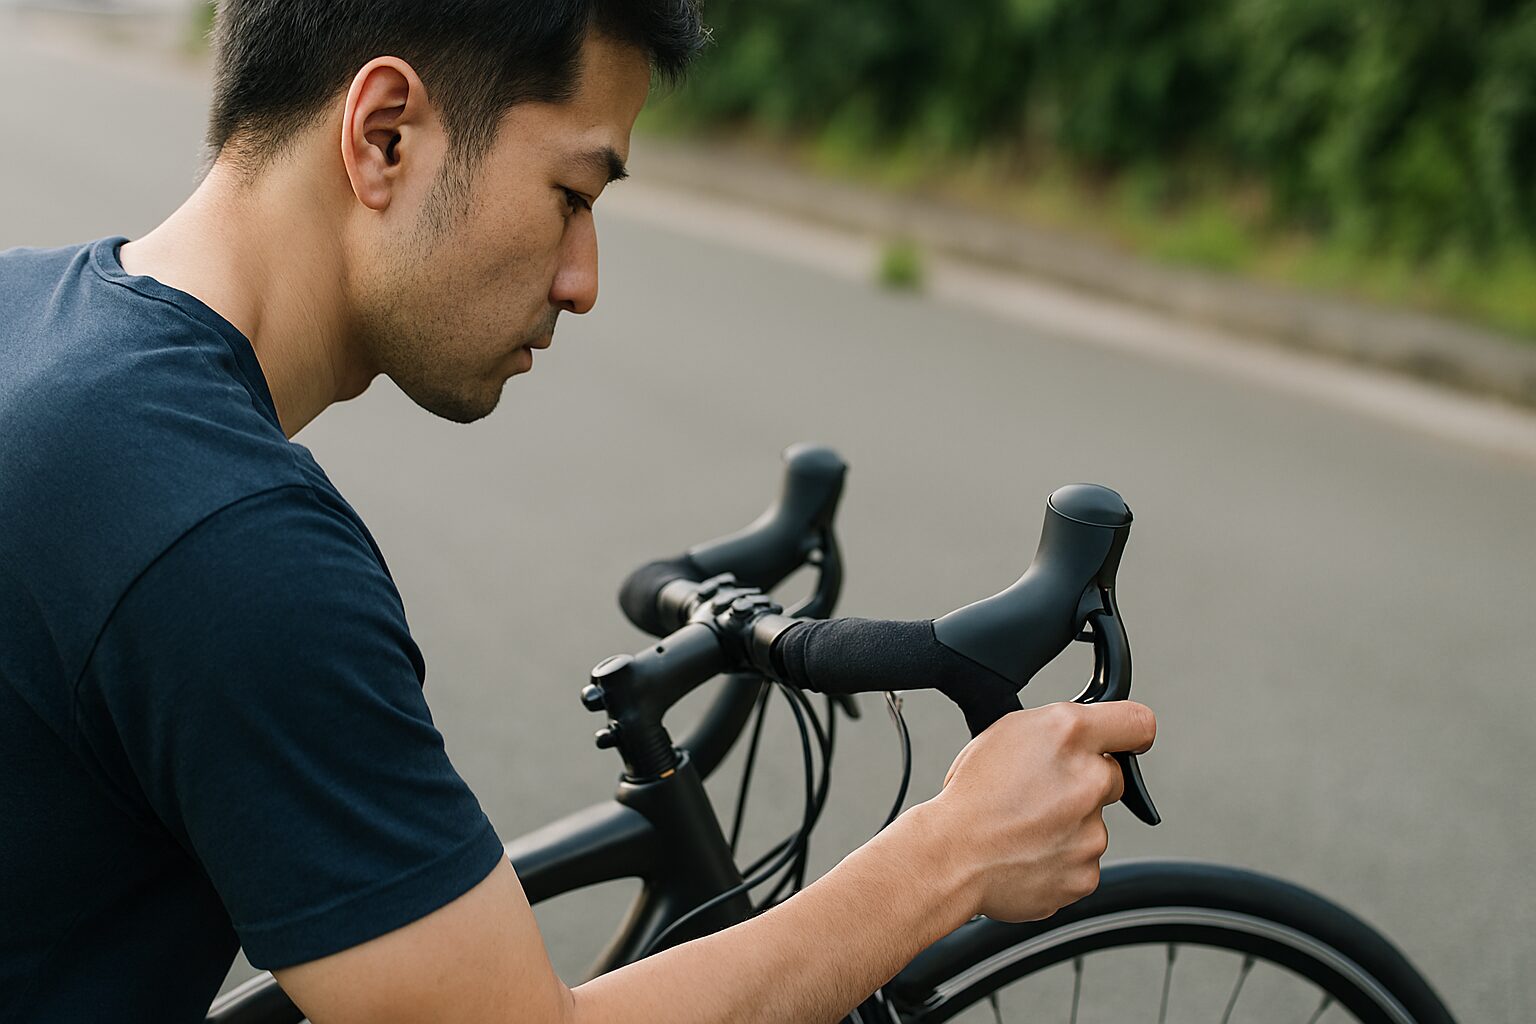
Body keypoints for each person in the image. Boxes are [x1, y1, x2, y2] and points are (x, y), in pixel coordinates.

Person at [0, 2, 1156, 1021]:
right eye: (570, 195)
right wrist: (948, 859)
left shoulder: (25, 310)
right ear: (385, 133)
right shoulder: (229, 547)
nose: (582, 279)